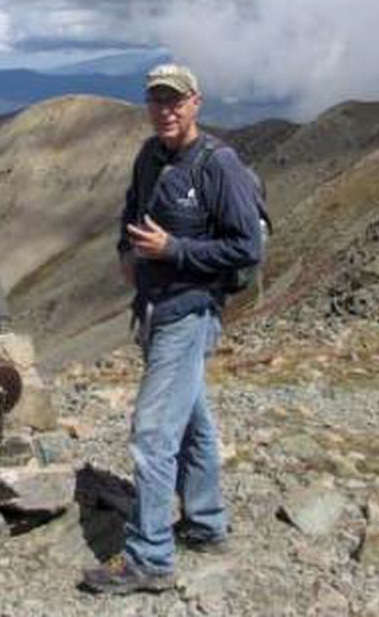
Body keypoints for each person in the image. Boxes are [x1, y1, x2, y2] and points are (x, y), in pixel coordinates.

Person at [81, 63, 263, 595]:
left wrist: (174, 250)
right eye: (157, 100)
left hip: (191, 310)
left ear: (196, 103)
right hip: (156, 308)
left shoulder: (218, 165)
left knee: (154, 432)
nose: (166, 110)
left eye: (175, 100)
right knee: (192, 422)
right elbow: (131, 211)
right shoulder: (149, 156)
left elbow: (245, 246)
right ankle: (205, 524)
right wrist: (126, 253)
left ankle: (149, 558)